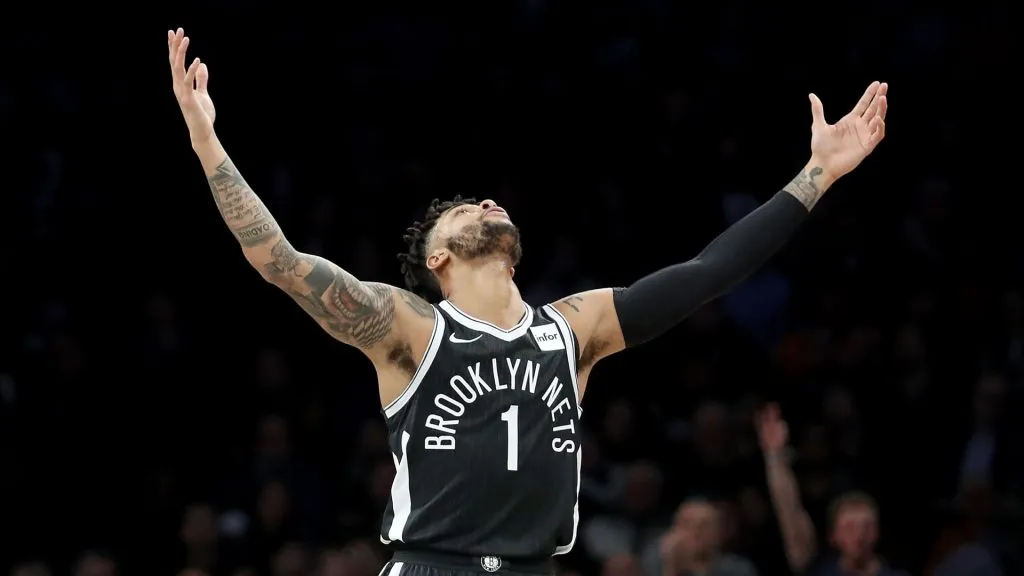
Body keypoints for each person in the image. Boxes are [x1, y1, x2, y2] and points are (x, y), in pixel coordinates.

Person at [167, 26, 888, 576]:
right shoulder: (411, 329)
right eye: (462, 208)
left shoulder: (574, 329)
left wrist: (816, 174)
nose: (485, 201)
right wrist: (206, 140)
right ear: (438, 258)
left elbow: (708, 272)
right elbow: (281, 263)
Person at [755, 404, 908, 576]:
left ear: (877, 533)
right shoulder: (820, 571)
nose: (859, 536)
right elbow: (791, 516)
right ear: (834, 536)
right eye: (850, 528)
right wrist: (775, 457)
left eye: (866, 527)